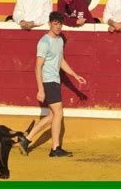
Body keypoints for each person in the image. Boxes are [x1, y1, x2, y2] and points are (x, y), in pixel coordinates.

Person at [19, 12, 87, 157]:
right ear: (49, 24)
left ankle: (26, 139)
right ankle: (55, 148)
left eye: (60, 24)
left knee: (52, 115)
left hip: (55, 80)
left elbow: (60, 60)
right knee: (59, 113)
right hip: (48, 81)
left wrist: (75, 75)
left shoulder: (60, 40)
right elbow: (38, 67)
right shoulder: (44, 42)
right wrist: (41, 89)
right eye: (55, 24)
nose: (58, 27)